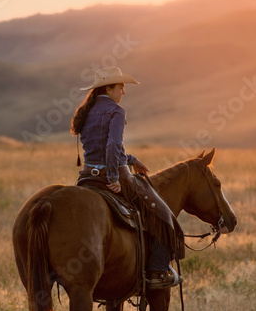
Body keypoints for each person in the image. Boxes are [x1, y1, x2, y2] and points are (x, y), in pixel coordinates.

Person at [70, 66, 184, 289]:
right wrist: (114, 178)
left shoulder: (86, 111)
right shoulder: (116, 111)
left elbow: (101, 146)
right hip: (114, 175)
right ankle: (157, 273)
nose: (124, 92)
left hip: (87, 176)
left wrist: (131, 159)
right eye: (121, 87)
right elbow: (112, 145)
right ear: (109, 88)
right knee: (163, 216)